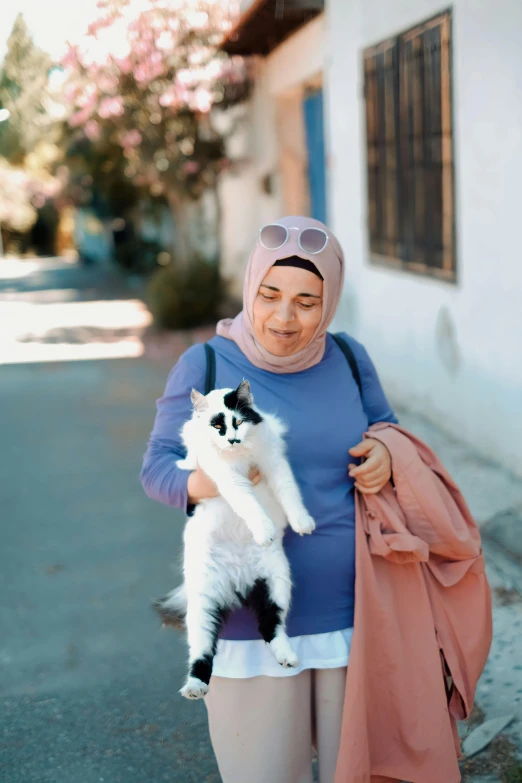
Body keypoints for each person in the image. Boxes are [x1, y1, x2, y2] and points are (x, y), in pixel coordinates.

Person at [141, 216, 398, 783]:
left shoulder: (350, 359)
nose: (285, 317)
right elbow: (157, 467)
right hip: (248, 623)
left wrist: (386, 454)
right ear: (250, 289)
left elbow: (386, 428)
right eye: (270, 295)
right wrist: (208, 479)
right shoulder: (206, 365)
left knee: (360, 774)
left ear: (329, 301)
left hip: (354, 615)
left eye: (308, 301)